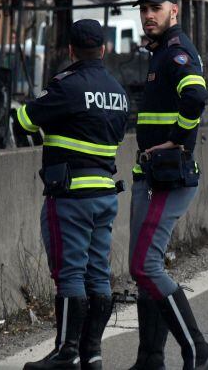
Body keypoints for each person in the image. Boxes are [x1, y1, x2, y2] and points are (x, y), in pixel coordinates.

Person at [13, 20, 128, 370]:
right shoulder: (117, 90)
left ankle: (66, 354)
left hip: (70, 196)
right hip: (105, 195)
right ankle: (92, 354)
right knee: (97, 274)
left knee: (70, 275)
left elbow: (24, 120)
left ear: (71, 51)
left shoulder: (66, 86)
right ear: (104, 50)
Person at [128, 0, 208, 370]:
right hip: (152, 175)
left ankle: (200, 354)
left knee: (145, 267)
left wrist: (177, 140)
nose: (149, 15)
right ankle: (150, 359)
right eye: (143, 8)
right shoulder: (160, 52)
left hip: (168, 177)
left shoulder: (176, 51)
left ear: (174, 10)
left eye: (156, 8)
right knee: (143, 268)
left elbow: (197, 96)